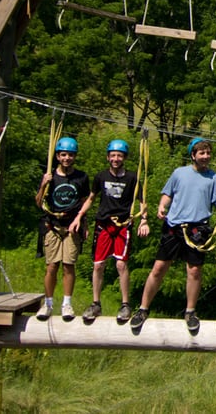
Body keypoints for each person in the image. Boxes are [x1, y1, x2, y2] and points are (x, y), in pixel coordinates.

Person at [130, 138, 216, 333]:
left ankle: (190, 311)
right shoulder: (179, 173)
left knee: (194, 271)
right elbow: (168, 193)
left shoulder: (214, 178)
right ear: (193, 155)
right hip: (174, 226)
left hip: (197, 228)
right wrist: (162, 205)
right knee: (159, 268)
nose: (206, 156)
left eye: (208, 153)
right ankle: (143, 308)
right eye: (202, 153)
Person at [82, 139, 147, 324]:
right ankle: (96, 303)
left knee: (121, 264)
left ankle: (125, 304)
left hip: (123, 225)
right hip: (104, 224)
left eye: (119, 156)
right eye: (113, 155)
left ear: (124, 158)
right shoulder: (101, 177)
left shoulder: (132, 178)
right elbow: (91, 198)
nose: (116, 159)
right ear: (108, 157)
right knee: (98, 265)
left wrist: (144, 220)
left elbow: (142, 201)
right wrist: (79, 217)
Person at [36, 136, 93, 322]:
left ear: (74, 156)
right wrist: (43, 184)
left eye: (70, 155)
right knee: (52, 265)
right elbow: (39, 203)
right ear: (58, 156)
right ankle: (48, 303)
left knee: (69, 265)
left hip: (72, 226)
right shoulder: (50, 176)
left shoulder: (81, 177)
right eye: (63, 155)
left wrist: (84, 224)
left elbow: (84, 202)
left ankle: (66, 304)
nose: (67, 158)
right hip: (52, 225)